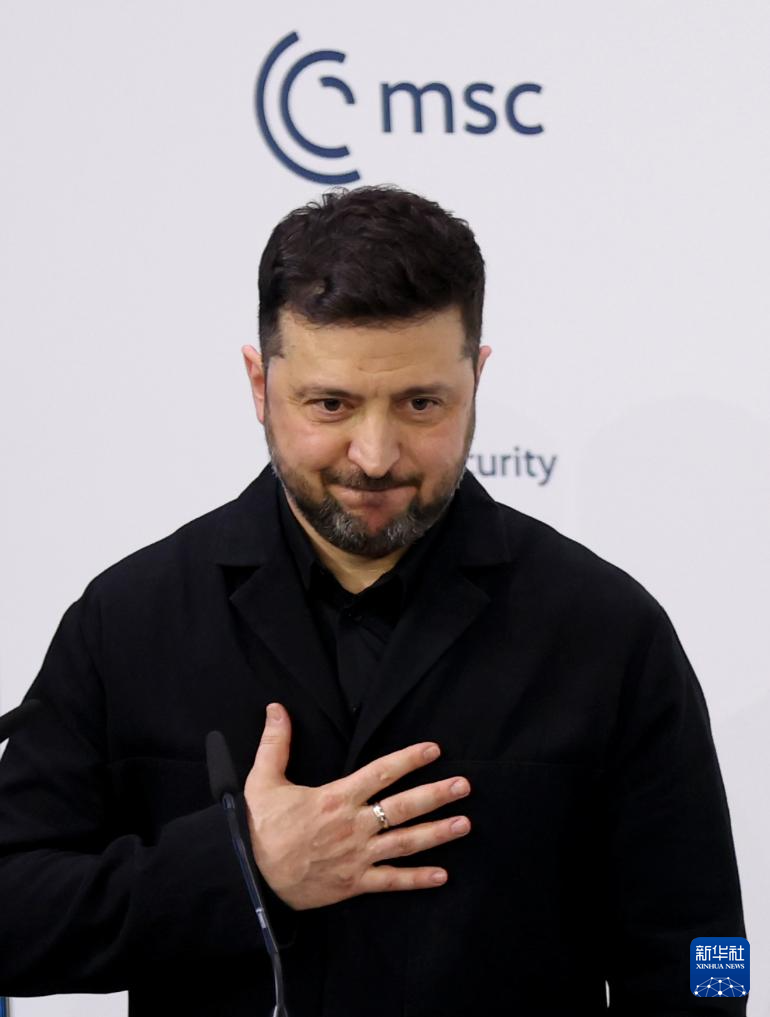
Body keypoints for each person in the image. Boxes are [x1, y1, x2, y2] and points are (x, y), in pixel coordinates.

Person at [0, 186, 746, 1016]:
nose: (376, 454)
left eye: (422, 403)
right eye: (331, 404)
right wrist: (241, 867)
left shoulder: (609, 630)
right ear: (259, 383)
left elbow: (706, 954)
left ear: (476, 378)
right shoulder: (129, 619)